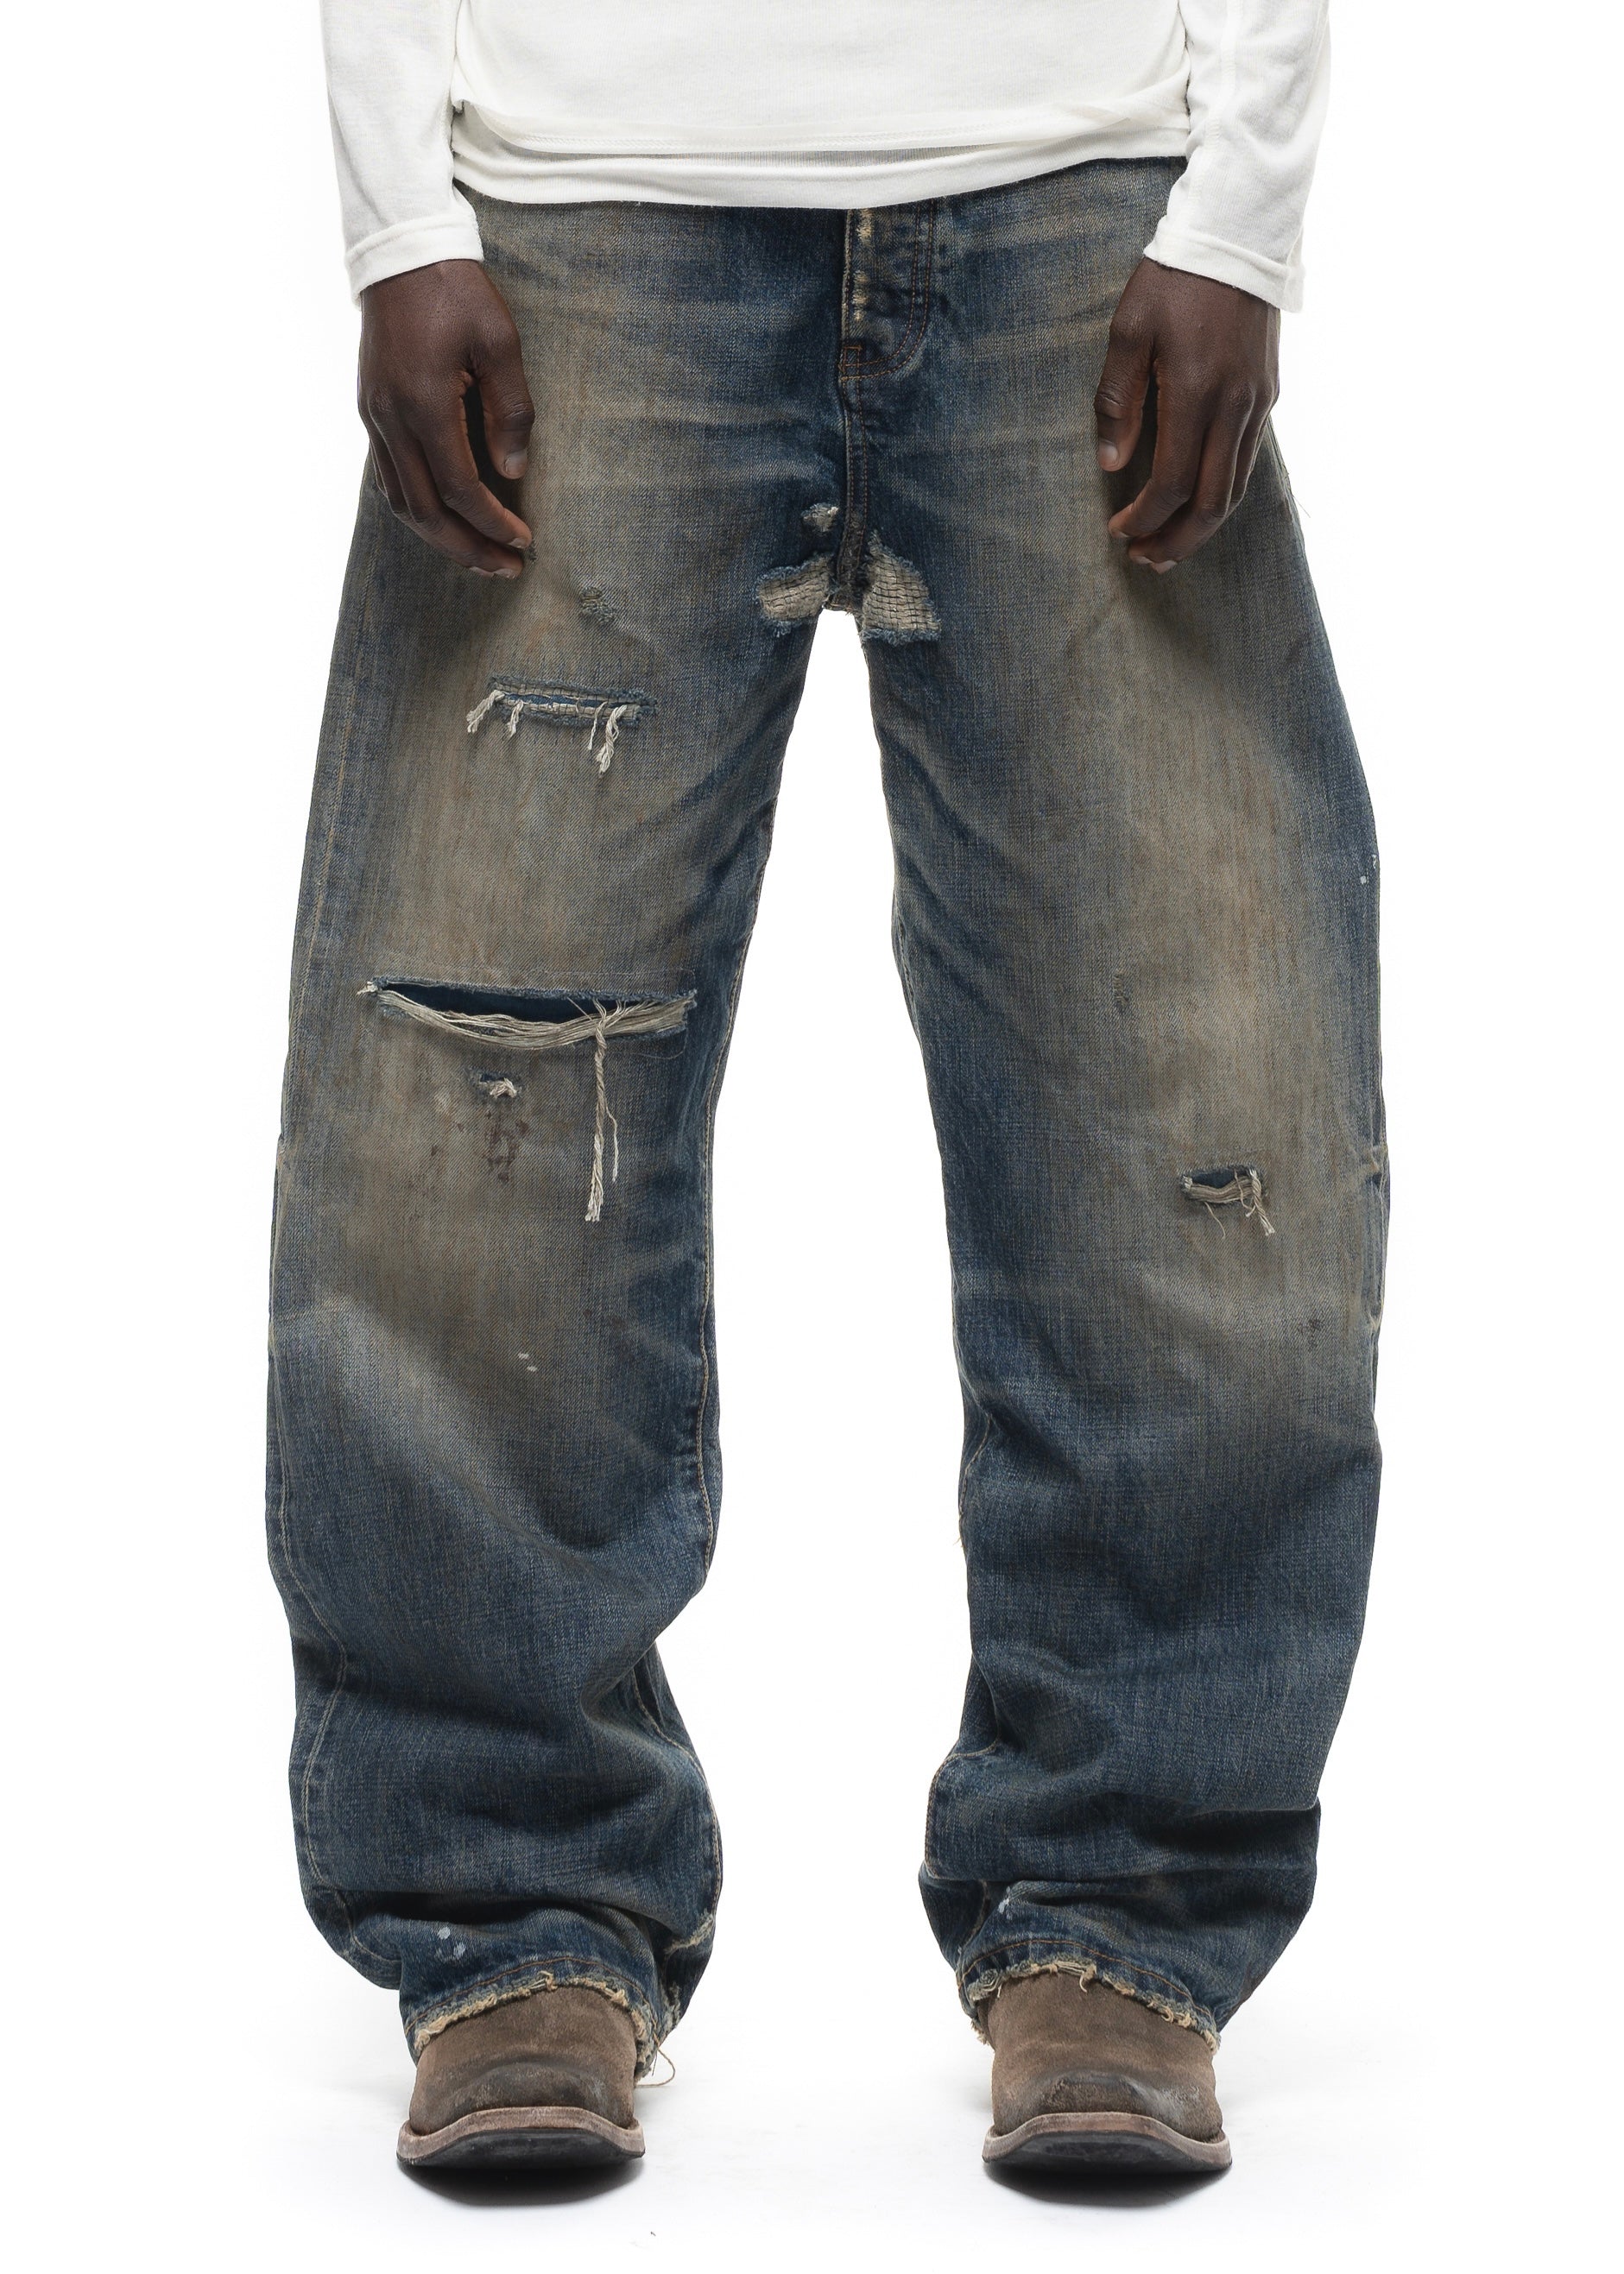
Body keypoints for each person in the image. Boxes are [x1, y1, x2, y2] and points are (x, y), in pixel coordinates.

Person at [269, 0, 1386, 2176]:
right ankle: (508, 1914)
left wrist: (1239, 208)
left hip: (1081, 183)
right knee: (468, 1120)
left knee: (1188, 1079)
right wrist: (400, 208)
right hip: (579, 193)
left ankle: (1122, 1910)